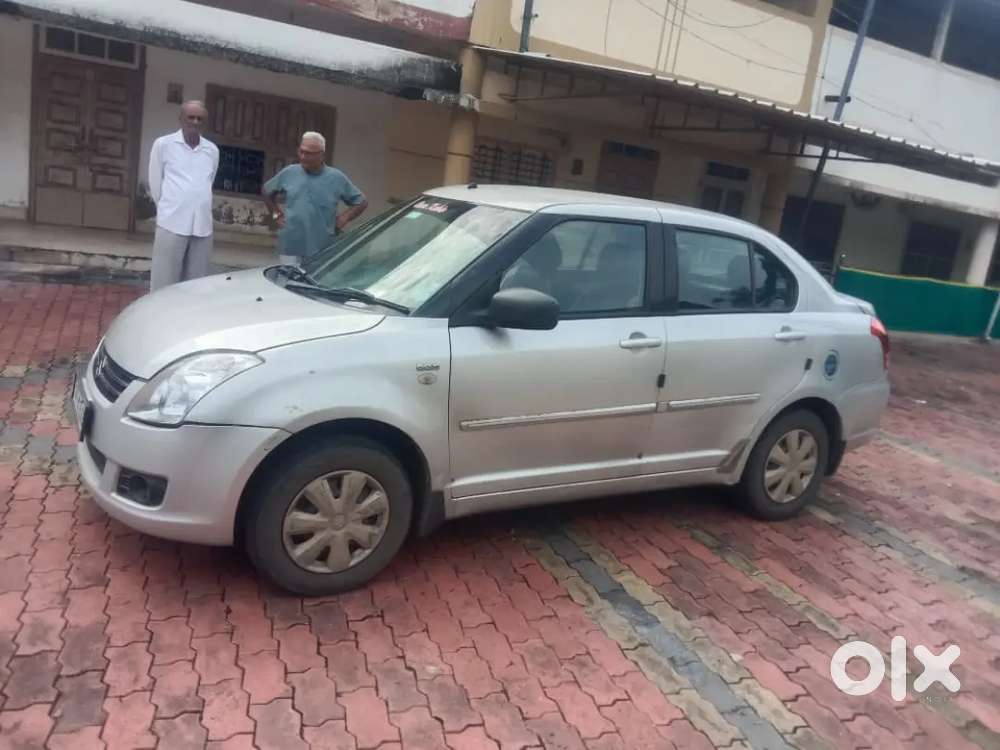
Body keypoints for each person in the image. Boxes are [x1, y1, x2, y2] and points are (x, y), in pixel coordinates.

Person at [263, 132, 368, 265]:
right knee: (287, 277)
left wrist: (344, 218)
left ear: (322, 155)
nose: (303, 156)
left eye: (309, 153)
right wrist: (276, 215)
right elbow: (266, 191)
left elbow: (361, 202)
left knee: (313, 278)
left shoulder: (336, 178)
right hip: (290, 245)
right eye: (301, 151)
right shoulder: (290, 172)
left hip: (321, 248)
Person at [147, 100, 219, 291]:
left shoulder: (212, 150)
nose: (195, 122)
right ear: (180, 119)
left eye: (200, 119)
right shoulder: (163, 144)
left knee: (195, 285)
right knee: (164, 282)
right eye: (191, 117)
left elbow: (209, 182)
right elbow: (155, 183)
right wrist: (168, 208)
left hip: (202, 226)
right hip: (171, 222)